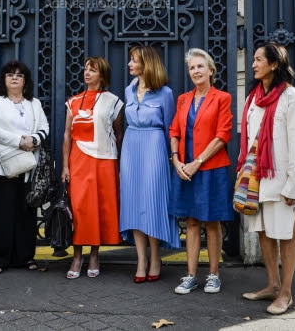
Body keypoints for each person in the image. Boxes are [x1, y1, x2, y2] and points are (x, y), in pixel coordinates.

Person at [238, 42, 295, 315]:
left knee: (286, 234)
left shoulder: (292, 98)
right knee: (263, 232)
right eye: (254, 59)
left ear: (274, 64)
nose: (254, 64)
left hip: (281, 179)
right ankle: (271, 284)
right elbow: (248, 140)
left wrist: (294, 183)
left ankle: (286, 292)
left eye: (258, 59)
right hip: (257, 179)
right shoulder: (253, 99)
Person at [169, 48, 233, 295]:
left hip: (211, 169)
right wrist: (176, 160)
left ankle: (214, 275)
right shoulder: (183, 99)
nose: (195, 71)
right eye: (192, 68)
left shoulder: (222, 98)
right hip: (186, 169)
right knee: (192, 222)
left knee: (212, 222)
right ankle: (191, 275)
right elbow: (174, 131)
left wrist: (198, 161)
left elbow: (222, 135)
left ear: (210, 70)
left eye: (199, 66)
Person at [120, 45, 180, 283]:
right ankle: (141, 260)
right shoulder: (128, 90)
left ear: (147, 64)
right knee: (134, 202)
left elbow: (170, 127)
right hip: (131, 146)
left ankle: (155, 258)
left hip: (155, 146)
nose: (130, 64)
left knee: (153, 202)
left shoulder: (165, 93)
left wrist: (168, 157)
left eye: (134, 60)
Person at [61, 57, 123, 279]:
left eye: (93, 70)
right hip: (79, 160)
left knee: (99, 208)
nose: (87, 73)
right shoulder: (73, 101)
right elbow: (67, 134)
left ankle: (95, 255)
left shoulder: (113, 101)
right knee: (79, 208)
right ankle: (77, 255)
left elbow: (118, 134)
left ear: (102, 75)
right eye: (86, 69)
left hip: (105, 161)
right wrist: (65, 166)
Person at [0, 60, 49, 274]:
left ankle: (25, 258)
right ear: (3, 79)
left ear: (25, 81)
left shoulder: (35, 103)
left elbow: (44, 127)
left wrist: (34, 140)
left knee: (26, 213)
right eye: (10, 74)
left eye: (19, 75)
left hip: (28, 166)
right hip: (3, 167)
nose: (14, 78)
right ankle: (0, 259)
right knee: (2, 214)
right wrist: (20, 141)